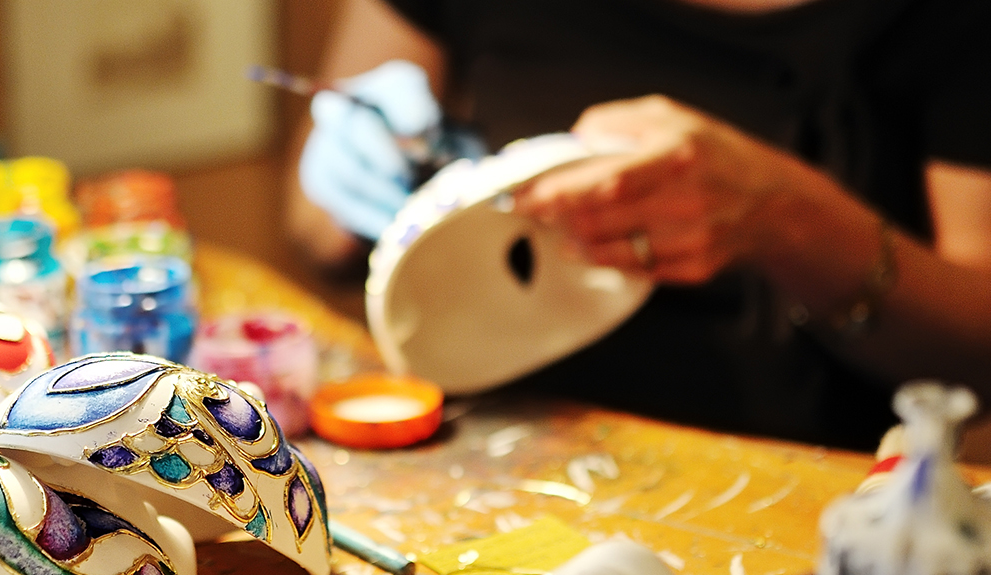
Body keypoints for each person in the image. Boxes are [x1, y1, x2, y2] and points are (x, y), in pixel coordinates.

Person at [287, 0, 991, 449]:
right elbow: (314, 229)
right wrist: (354, 164)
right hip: (497, 450)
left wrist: (788, 216)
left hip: (797, 494)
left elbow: (978, 352)